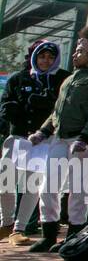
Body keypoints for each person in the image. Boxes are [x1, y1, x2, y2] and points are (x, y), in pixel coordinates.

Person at [27, 24, 88, 253]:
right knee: (49, 185)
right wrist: (42, 132)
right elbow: (57, 111)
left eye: (80, 51)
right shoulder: (71, 79)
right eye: (76, 50)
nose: (75, 54)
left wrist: (86, 137)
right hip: (60, 137)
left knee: (78, 188)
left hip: (81, 140)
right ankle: (49, 234)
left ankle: (74, 235)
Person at [1, 41, 70, 245]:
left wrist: (45, 104)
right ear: (34, 57)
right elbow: (6, 102)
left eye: (50, 57)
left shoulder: (62, 79)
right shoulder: (18, 78)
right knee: (5, 181)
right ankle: (5, 222)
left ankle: (19, 228)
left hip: (43, 140)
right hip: (18, 137)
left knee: (32, 184)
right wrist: (11, 110)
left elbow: (61, 108)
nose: (46, 61)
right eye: (42, 57)